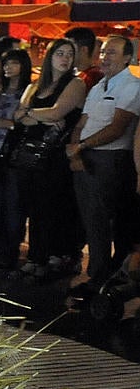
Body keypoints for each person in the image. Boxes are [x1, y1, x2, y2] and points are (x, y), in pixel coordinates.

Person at [66, 34, 140, 297]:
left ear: (128, 58)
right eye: (104, 51)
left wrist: (82, 146)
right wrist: (75, 150)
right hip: (86, 156)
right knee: (91, 219)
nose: (105, 57)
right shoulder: (98, 86)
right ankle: (97, 274)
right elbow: (82, 122)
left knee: (105, 220)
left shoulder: (131, 86)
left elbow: (117, 128)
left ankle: (107, 279)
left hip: (110, 159)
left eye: (112, 53)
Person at [9, 38, 87, 281]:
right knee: (31, 208)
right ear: (50, 56)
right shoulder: (35, 85)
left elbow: (57, 112)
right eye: (60, 53)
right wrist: (39, 115)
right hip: (29, 155)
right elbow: (18, 116)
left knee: (48, 210)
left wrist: (34, 114)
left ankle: (43, 260)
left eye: (69, 55)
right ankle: (33, 258)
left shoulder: (75, 84)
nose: (65, 58)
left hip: (54, 157)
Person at [0, 47, 33, 270]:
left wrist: (7, 124)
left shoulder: (27, 93)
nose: (8, 67)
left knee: (13, 207)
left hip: (13, 156)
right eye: (6, 63)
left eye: (13, 63)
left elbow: (21, 122)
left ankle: (9, 254)